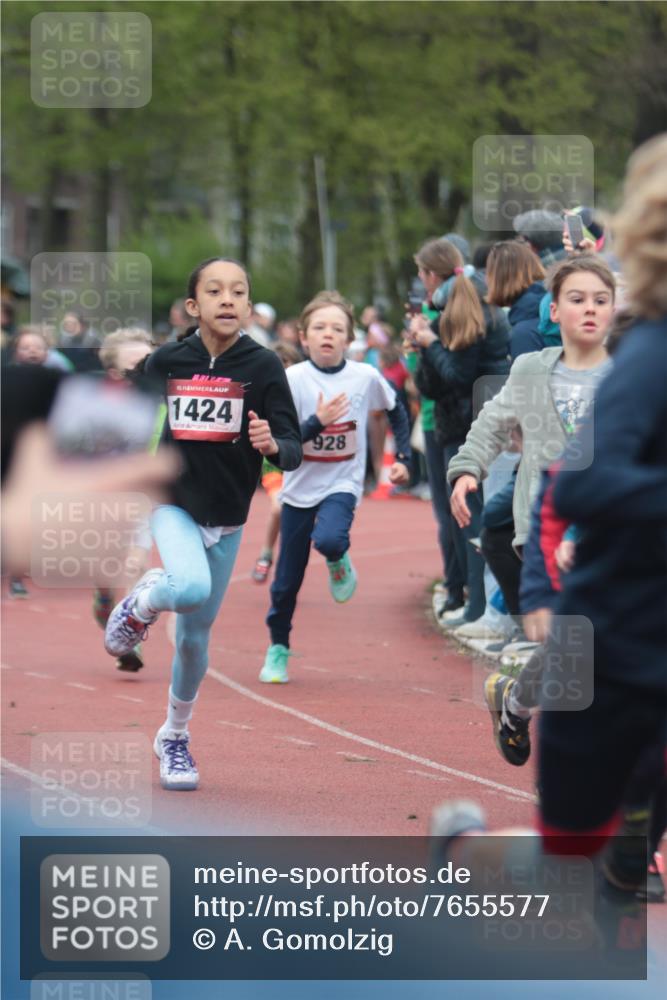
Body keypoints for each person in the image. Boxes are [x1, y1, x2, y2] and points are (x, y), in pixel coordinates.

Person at [103, 257, 302, 790]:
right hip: (173, 502)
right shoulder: (169, 360)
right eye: (215, 291)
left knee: (193, 640)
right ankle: (142, 601)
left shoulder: (263, 368)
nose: (228, 299)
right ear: (195, 306)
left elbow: (292, 448)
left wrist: (272, 446)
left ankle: (174, 735)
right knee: (186, 587)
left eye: (238, 291)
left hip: (229, 516)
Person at [448, 255, 615, 636]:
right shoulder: (530, 369)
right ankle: (532, 688)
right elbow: (491, 424)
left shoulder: (629, 374)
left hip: (610, 529)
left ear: (613, 310)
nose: (590, 308)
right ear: (554, 311)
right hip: (541, 529)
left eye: (600, 300)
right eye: (577, 299)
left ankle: (521, 694)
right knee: (565, 642)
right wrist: (466, 469)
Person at [260, 290, 411, 683]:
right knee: (285, 582)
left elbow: (395, 409)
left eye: (337, 328)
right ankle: (278, 647)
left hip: (342, 482)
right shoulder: (291, 379)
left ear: (349, 339)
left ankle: (338, 559)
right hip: (298, 487)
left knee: (328, 539)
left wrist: (405, 461)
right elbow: (284, 439)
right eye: (320, 327)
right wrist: (318, 423)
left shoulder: (364, 376)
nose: (328, 334)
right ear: (303, 337)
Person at [409, 238, 511, 626]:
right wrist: (423, 348)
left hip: (471, 426)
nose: (421, 281)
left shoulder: (464, 310)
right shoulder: (460, 305)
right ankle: (475, 603)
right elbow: (433, 383)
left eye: (421, 273)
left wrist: (430, 343)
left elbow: (457, 376)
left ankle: (480, 607)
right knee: (467, 515)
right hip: (467, 424)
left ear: (431, 275)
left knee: (470, 515)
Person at [93, 328, 157, 671]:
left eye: (149, 362)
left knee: (135, 564)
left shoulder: (161, 398)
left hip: (142, 497)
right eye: (136, 364)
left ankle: (129, 639)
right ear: (115, 372)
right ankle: (104, 600)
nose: (145, 369)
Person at [251, 341, 302, 584]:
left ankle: (288, 562)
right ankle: (266, 553)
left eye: (287, 366)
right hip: (273, 464)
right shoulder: (264, 392)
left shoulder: (306, 391)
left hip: (304, 464)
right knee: (278, 506)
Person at [485, 240, 546, 359]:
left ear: (499, 278)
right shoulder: (544, 303)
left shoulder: (523, 331)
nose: (486, 279)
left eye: (489, 272)